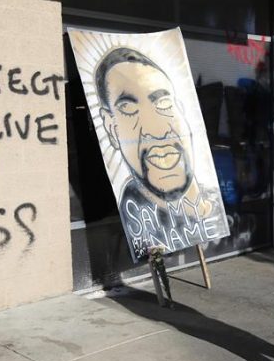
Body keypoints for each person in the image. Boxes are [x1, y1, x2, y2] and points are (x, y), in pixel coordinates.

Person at [96, 47, 227, 260]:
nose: (156, 130)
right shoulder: (136, 215)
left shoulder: (209, 196)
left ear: (183, 111)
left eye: (164, 103)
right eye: (128, 109)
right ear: (111, 128)